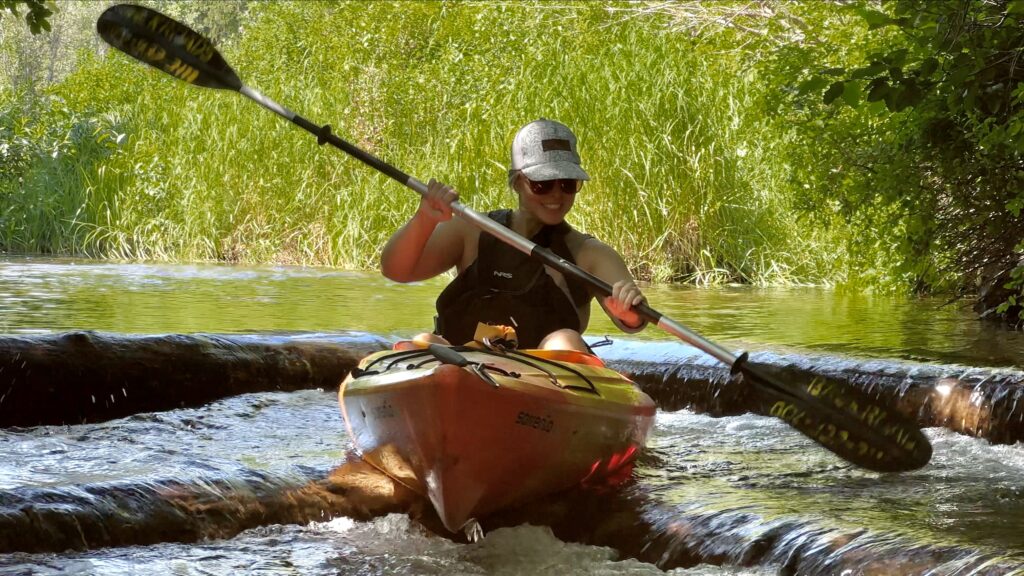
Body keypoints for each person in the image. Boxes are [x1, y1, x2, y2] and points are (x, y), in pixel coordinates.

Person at [381, 118, 647, 352]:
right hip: (462, 368)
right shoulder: (470, 230)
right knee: (425, 341)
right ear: (518, 181)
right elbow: (396, 270)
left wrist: (629, 314)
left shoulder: (590, 255)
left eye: (568, 184)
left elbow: (634, 321)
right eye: (542, 184)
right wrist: (425, 219)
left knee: (565, 340)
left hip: (544, 379)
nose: (557, 194)